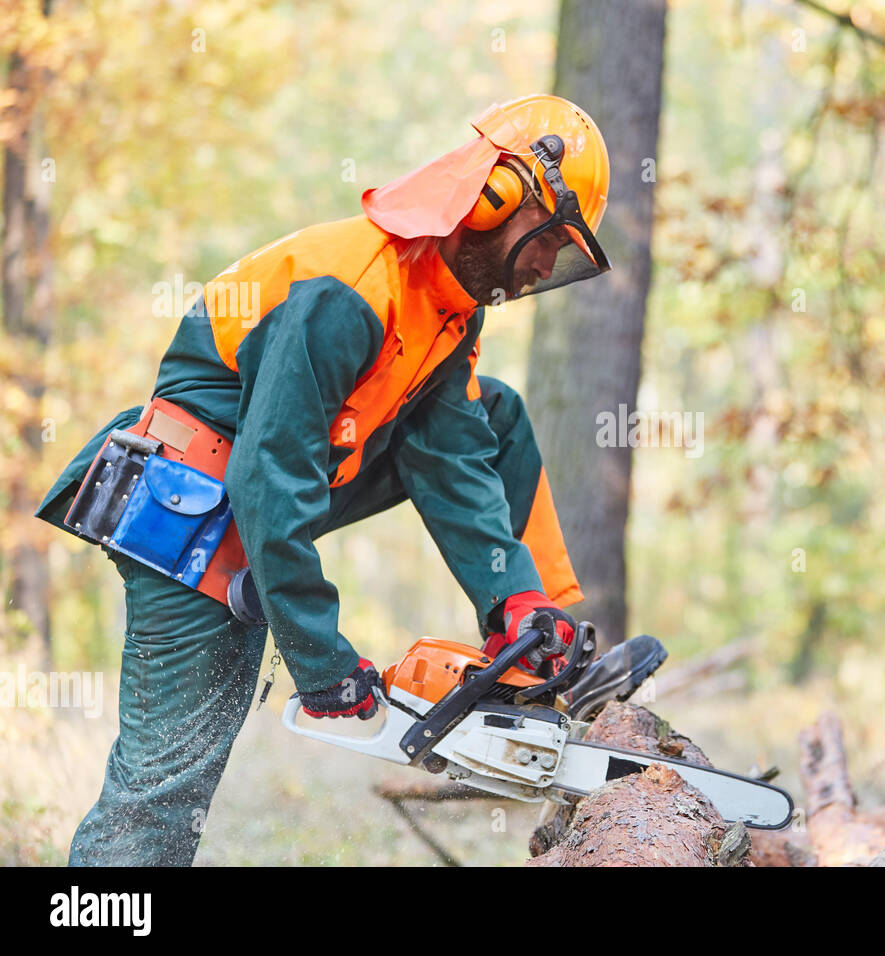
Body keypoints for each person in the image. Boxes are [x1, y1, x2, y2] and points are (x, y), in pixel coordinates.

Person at [34, 94, 613, 866]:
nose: (545, 265)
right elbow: (270, 477)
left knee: (490, 413)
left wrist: (520, 598)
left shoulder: (446, 312)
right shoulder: (346, 292)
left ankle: (539, 629)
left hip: (259, 498)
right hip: (187, 511)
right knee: (161, 791)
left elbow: (452, 459)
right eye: (549, 241)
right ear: (495, 196)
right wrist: (322, 659)